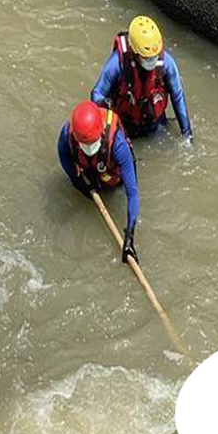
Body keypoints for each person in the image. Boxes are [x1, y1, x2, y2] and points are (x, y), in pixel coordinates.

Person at [57, 99, 140, 263]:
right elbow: (66, 162)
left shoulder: (117, 144)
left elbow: (133, 193)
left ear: (101, 134)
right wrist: (83, 188)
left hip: (112, 174)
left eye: (92, 143)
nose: (88, 148)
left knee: (119, 189)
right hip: (90, 173)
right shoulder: (67, 136)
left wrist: (129, 235)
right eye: (84, 144)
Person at [92, 15, 192, 139]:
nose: (152, 61)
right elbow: (97, 93)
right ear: (134, 52)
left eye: (155, 56)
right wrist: (103, 103)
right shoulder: (117, 64)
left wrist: (187, 134)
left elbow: (178, 96)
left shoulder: (166, 63)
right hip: (124, 125)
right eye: (147, 58)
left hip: (155, 123)